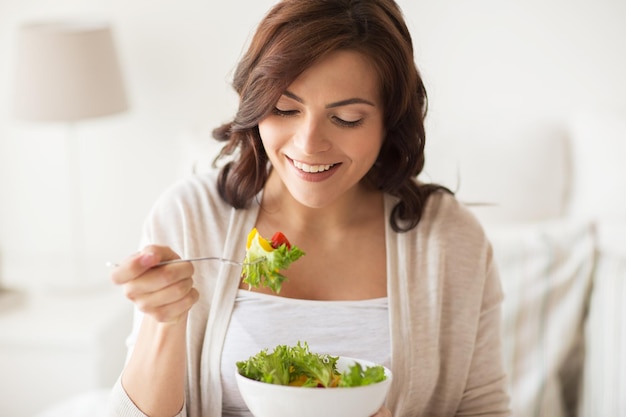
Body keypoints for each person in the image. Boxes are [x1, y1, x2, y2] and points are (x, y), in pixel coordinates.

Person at [108, 0, 511, 416]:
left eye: (347, 118)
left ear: (390, 119)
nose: (308, 144)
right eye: (284, 109)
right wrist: (165, 321)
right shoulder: (190, 217)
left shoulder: (448, 238)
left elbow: (484, 407)